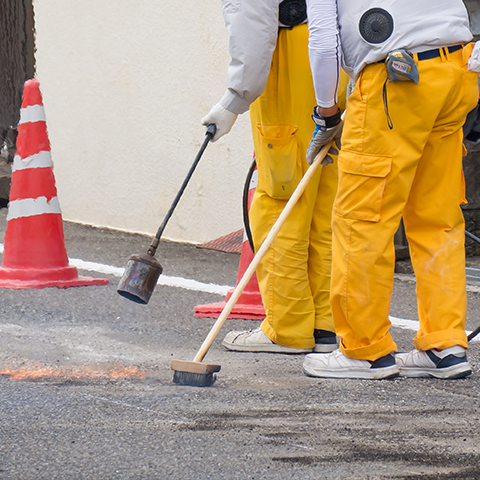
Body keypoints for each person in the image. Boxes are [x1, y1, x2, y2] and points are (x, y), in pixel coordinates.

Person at [302, 0, 479, 379]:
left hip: (395, 80)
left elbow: (321, 40)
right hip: (457, 69)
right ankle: (445, 343)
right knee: (438, 216)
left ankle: (364, 350)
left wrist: (326, 112)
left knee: (363, 218)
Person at [202, 0, 347, 354]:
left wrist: (233, 100)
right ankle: (326, 325)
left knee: (280, 197)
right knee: (325, 196)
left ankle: (288, 328)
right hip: (335, 60)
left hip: (289, 58)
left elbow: (251, 21)